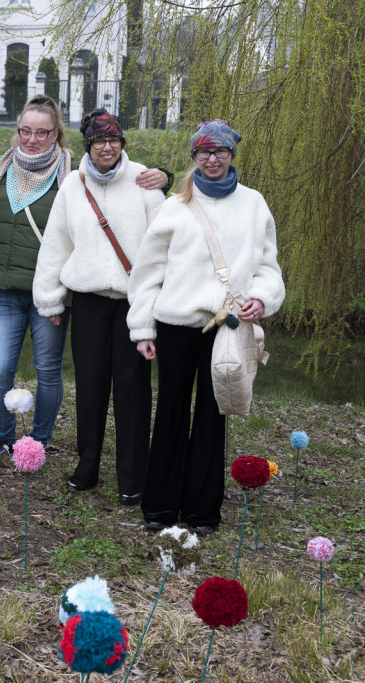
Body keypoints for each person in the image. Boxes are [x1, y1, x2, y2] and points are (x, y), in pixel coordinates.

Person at [0, 95, 170, 468]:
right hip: (4, 289)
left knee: (49, 370)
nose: (32, 139)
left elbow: (124, 190)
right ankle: (4, 439)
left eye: (41, 132)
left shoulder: (71, 175)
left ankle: (38, 443)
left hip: (52, 293)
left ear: (57, 134)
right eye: (25, 131)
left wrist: (166, 177)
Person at [128, 119, 285, 533]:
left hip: (228, 326)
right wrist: (143, 328)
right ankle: (160, 507)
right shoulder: (173, 207)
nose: (211, 159)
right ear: (194, 156)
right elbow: (147, 274)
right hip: (177, 324)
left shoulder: (254, 204)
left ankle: (202, 510)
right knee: (172, 411)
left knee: (215, 415)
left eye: (219, 152)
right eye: (203, 152)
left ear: (232, 155)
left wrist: (262, 297)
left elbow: (268, 266)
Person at [32, 108, 165, 504]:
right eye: (98, 141)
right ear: (88, 145)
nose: (107, 147)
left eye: (113, 140)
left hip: (133, 303)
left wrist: (155, 300)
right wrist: (50, 297)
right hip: (88, 301)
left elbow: (162, 245)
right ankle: (86, 465)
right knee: (89, 387)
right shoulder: (74, 185)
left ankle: (132, 476)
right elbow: (56, 244)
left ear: (122, 143)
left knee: (133, 390)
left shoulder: (144, 181)